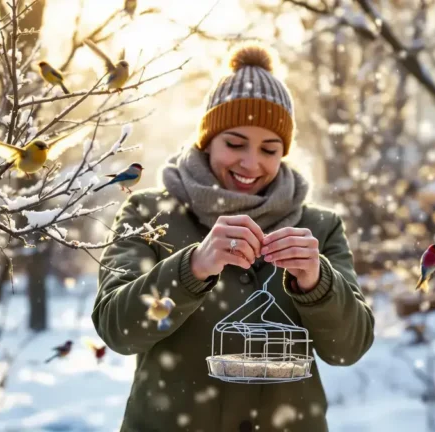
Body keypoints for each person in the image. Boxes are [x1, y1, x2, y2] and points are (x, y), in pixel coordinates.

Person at [93, 41, 375, 432]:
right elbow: (117, 329)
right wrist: (192, 268)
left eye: (269, 149)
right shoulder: (149, 214)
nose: (250, 162)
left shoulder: (319, 228)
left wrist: (317, 281)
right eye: (235, 143)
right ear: (207, 139)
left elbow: (349, 348)